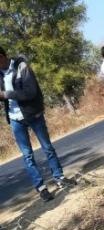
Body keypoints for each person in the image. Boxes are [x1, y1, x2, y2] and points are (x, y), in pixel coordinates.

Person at [0, 46, 76, 202]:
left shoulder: (22, 66)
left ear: (2, 56)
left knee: (47, 148)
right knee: (27, 156)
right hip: (15, 119)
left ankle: (59, 178)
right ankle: (41, 188)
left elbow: (30, 92)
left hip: (33, 114)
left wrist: (5, 94)